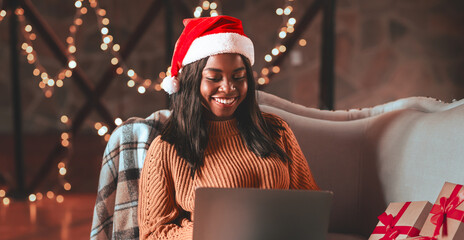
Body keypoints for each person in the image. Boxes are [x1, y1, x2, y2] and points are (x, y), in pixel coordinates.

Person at [138, 15, 319, 240]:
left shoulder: (277, 130)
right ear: (192, 81)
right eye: (214, 78)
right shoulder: (166, 149)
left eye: (238, 76)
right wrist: (213, 230)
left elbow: (311, 203)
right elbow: (152, 234)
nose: (228, 87)